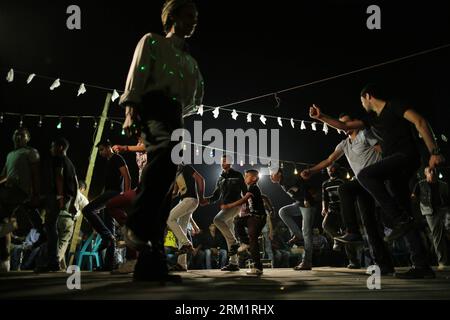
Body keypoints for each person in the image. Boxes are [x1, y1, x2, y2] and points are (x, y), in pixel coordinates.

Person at [309, 83, 444, 278]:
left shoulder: (394, 106)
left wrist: (434, 151)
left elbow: (420, 122)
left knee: (364, 175)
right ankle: (421, 265)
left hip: (405, 156)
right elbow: (344, 126)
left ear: (368, 96)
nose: (362, 105)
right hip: (394, 168)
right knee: (403, 211)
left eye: (362, 101)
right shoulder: (371, 119)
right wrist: (320, 117)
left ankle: (399, 221)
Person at [119, 0, 203, 282]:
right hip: (152, 108)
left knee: (167, 183)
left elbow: (195, 98)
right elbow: (137, 74)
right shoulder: (152, 42)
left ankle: (151, 263)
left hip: (176, 116)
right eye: (188, 15)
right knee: (164, 157)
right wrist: (131, 112)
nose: (194, 20)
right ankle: (137, 224)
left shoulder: (190, 61)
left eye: (196, 17)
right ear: (173, 17)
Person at [301, 113, 394, 274]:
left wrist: (388, 174)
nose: (342, 127)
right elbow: (329, 160)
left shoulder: (365, 134)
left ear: (353, 123)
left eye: (344, 123)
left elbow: (382, 151)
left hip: (375, 179)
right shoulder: (344, 144)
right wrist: (311, 170)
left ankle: (352, 231)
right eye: (340, 124)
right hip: (363, 185)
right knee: (369, 224)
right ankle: (384, 265)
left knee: (344, 189)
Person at [82, 139, 131, 271]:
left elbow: (126, 176)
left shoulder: (117, 158)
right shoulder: (109, 161)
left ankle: (106, 235)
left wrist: (126, 195)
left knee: (87, 210)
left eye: (102, 149)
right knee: (110, 227)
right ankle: (109, 264)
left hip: (114, 193)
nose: (100, 153)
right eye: (99, 150)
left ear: (108, 147)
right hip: (109, 194)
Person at [0, 128, 41, 272]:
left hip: (20, 192)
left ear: (27, 138)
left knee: (6, 222)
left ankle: (6, 260)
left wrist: (35, 194)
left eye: (21, 135)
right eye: (16, 134)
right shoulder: (10, 154)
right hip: (8, 192)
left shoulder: (31, 152)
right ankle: (5, 261)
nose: (18, 137)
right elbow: (4, 174)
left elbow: (36, 174)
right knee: (5, 225)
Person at [37, 138, 79, 272]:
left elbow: (59, 177)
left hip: (58, 196)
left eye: (52, 146)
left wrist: (60, 197)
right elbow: (76, 184)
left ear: (60, 147)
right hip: (65, 197)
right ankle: (53, 261)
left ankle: (53, 262)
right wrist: (72, 202)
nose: (51, 149)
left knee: (49, 226)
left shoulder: (59, 160)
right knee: (50, 226)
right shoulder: (70, 163)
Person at [201, 155, 247, 272]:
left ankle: (235, 242)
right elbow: (216, 196)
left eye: (225, 161)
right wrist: (206, 200)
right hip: (226, 207)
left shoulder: (238, 175)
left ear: (230, 162)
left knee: (217, 220)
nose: (222, 163)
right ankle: (233, 263)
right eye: (221, 161)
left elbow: (246, 192)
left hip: (235, 205)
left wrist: (246, 207)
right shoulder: (220, 177)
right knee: (228, 235)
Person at [270, 164, 317, 271]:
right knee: (283, 211)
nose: (270, 177)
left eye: (272, 174)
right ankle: (297, 234)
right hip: (298, 204)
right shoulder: (282, 183)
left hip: (307, 204)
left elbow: (303, 183)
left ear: (279, 174)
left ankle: (307, 262)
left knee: (307, 232)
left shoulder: (288, 179)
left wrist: (306, 199)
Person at [224, 170, 266, 275]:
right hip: (252, 217)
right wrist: (272, 208)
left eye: (247, 176)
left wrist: (229, 206)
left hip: (258, 218)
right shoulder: (252, 189)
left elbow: (244, 200)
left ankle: (258, 267)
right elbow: (264, 197)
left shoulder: (253, 187)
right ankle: (245, 242)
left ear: (254, 178)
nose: (244, 177)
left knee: (253, 240)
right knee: (238, 221)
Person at [320, 163, 361, 269]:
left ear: (336, 169)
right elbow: (324, 197)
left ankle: (354, 261)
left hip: (344, 209)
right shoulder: (325, 183)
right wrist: (324, 208)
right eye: (328, 168)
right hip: (332, 209)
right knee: (325, 225)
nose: (330, 170)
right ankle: (337, 239)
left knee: (347, 234)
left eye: (332, 168)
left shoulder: (342, 181)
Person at [167, 164, 205, 271]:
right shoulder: (176, 173)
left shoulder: (186, 167)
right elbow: (175, 192)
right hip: (186, 200)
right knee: (182, 230)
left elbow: (200, 179)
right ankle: (182, 264)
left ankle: (187, 244)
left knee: (169, 218)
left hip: (190, 199)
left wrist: (201, 197)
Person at [412, 167, 449, 268]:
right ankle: (442, 261)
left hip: (443, 210)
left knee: (440, 235)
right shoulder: (420, 185)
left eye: (434, 171)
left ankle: (441, 260)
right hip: (430, 212)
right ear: (425, 173)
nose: (432, 173)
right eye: (430, 171)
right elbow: (413, 198)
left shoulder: (443, 185)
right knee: (437, 235)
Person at [57, 180, 89, 269]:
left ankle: (62, 265)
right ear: (82, 188)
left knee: (59, 242)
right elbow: (88, 210)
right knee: (64, 242)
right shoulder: (81, 196)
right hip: (68, 219)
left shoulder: (65, 192)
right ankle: (55, 262)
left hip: (58, 218)